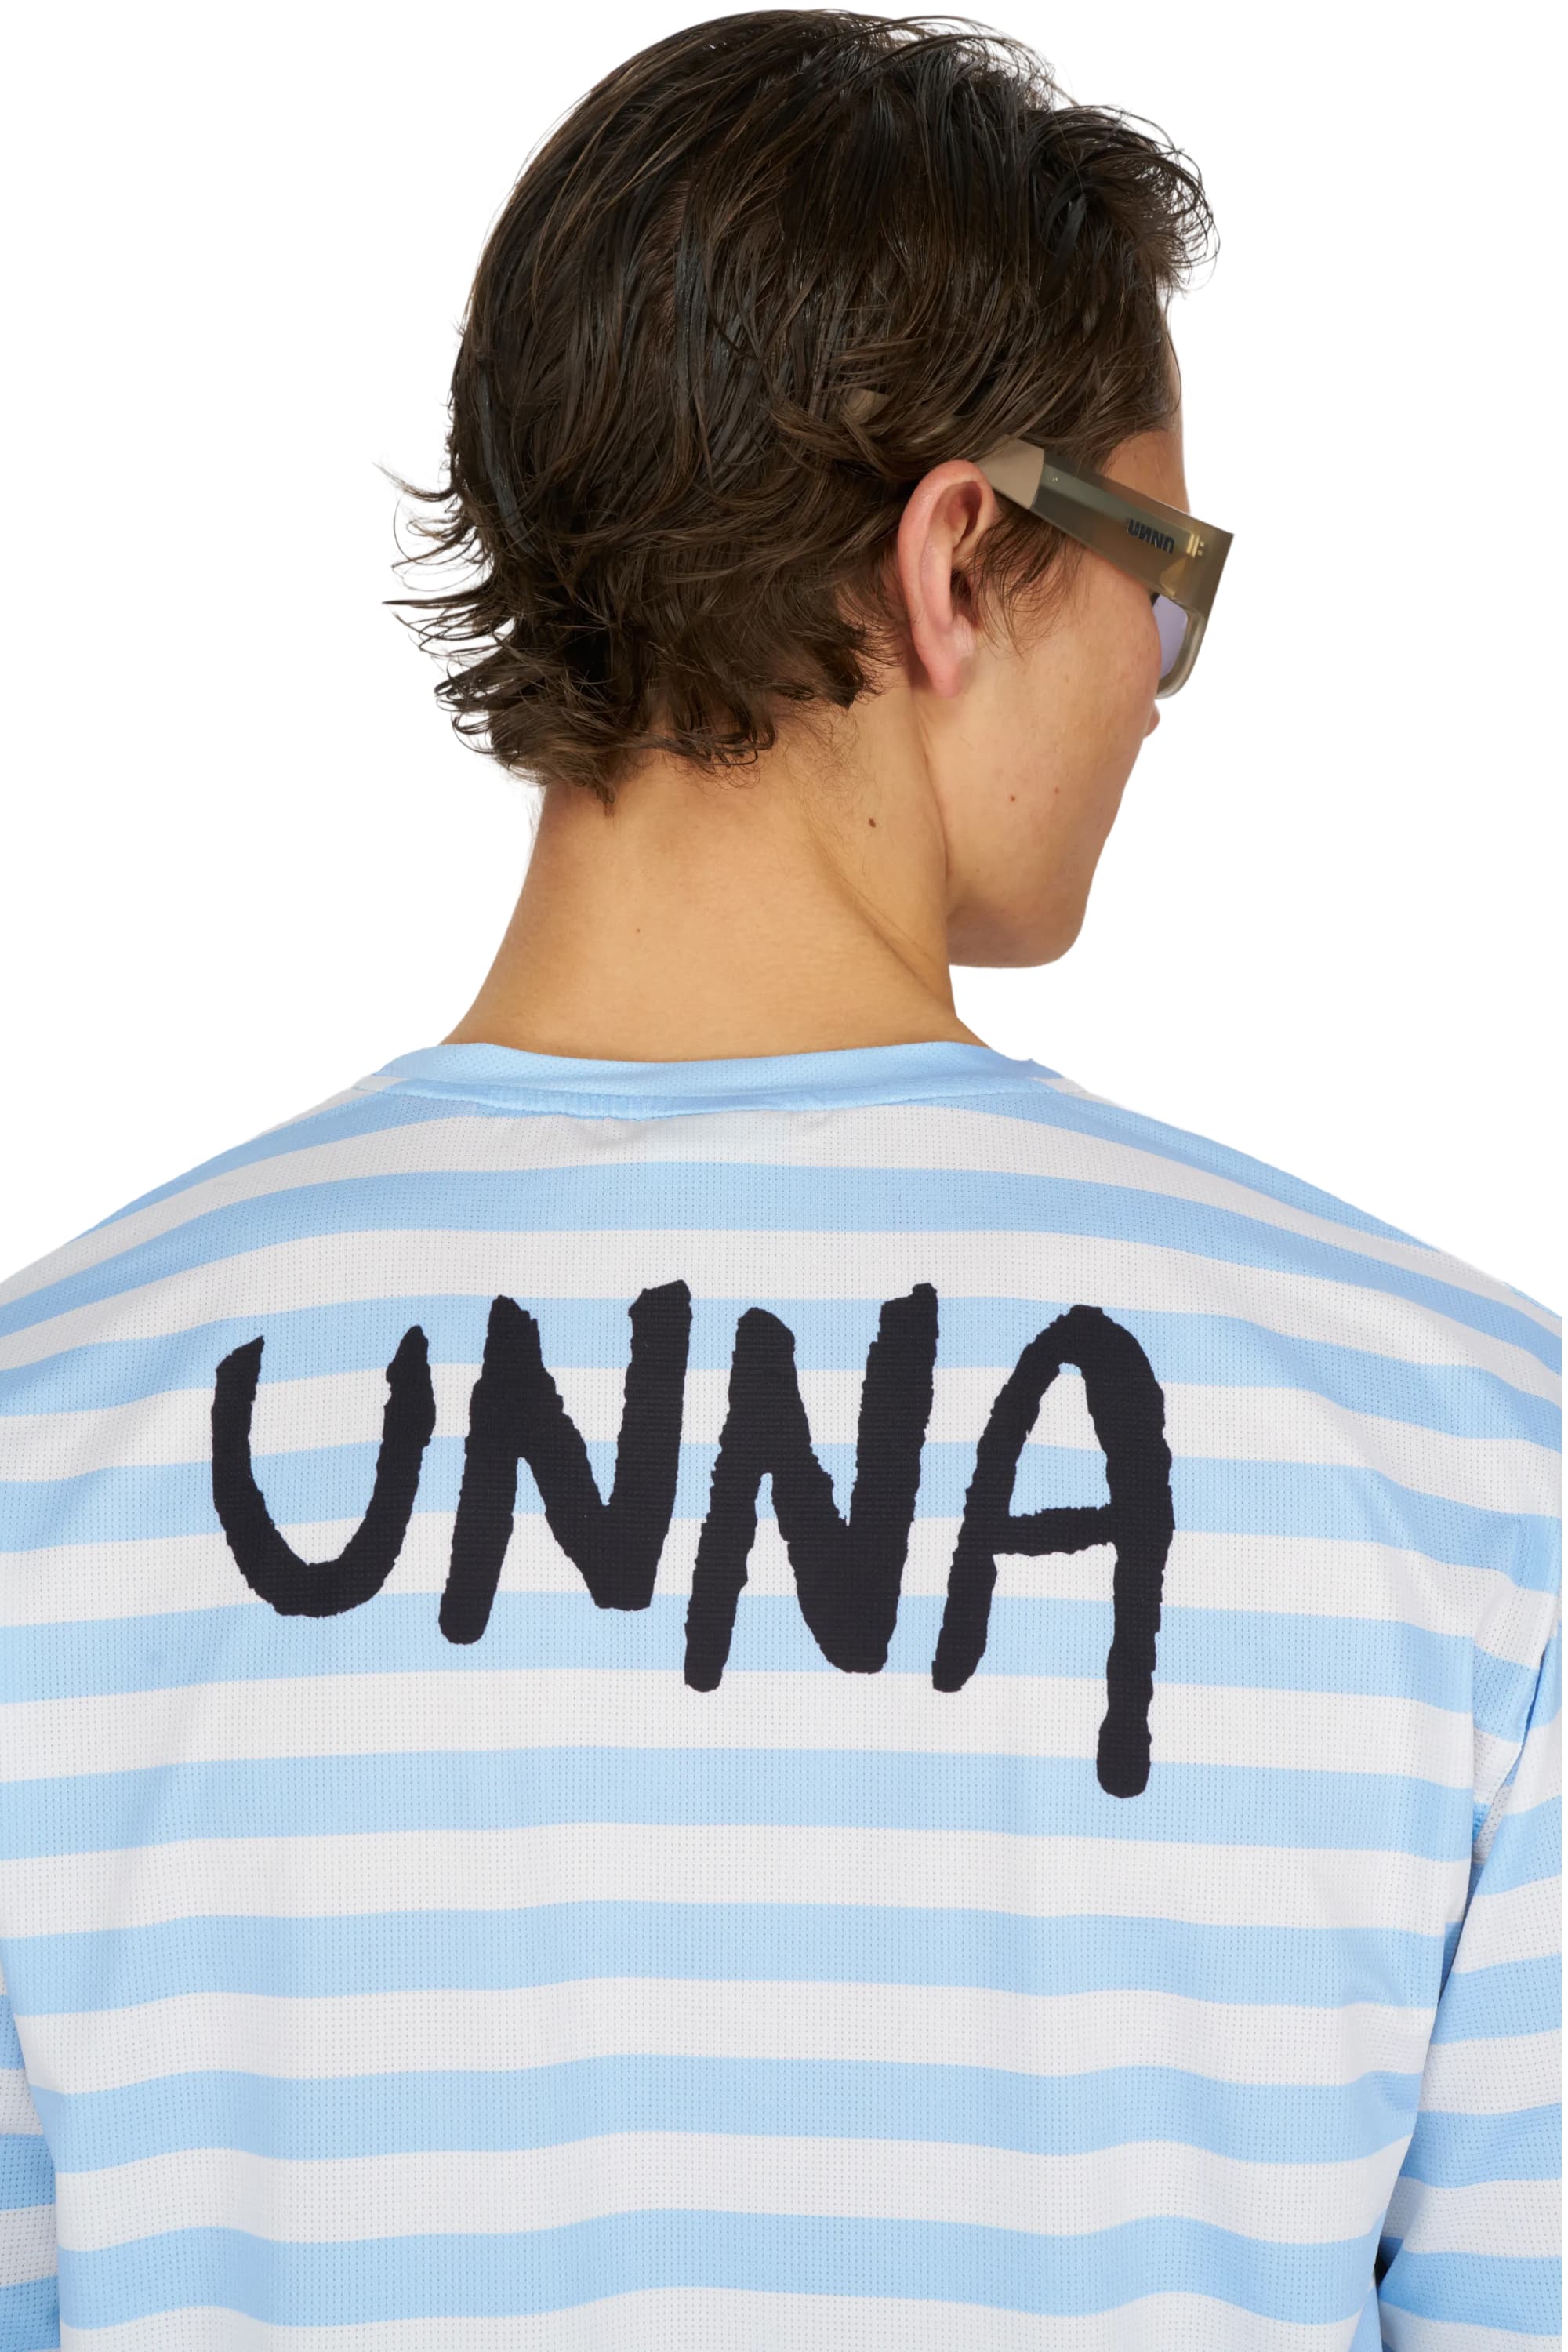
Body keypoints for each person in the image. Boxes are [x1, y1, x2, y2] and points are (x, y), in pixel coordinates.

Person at [0, 12, 1557, 2347]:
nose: (1160, 675)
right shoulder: (1465, 1461)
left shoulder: (43, 1444)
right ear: (960, 560)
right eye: (1163, 572)